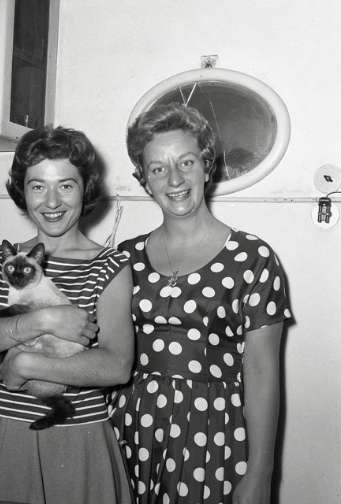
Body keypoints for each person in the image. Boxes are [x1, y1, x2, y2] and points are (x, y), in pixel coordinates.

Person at [110, 103, 292, 504]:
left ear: (207, 166)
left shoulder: (253, 258)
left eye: (186, 162)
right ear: (144, 180)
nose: (174, 179)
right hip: (128, 428)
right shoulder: (124, 257)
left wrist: (261, 474)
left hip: (211, 433)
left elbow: (262, 373)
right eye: (158, 168)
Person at [0, 126, 134, 504]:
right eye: (38, 186)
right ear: (22, 191)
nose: (52, 201)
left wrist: (27, 364)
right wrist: (44, 320)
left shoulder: (110, 265)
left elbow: (116, 366)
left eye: (66, 185)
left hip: (77, 435)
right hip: (2, 431)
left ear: (86, 188)